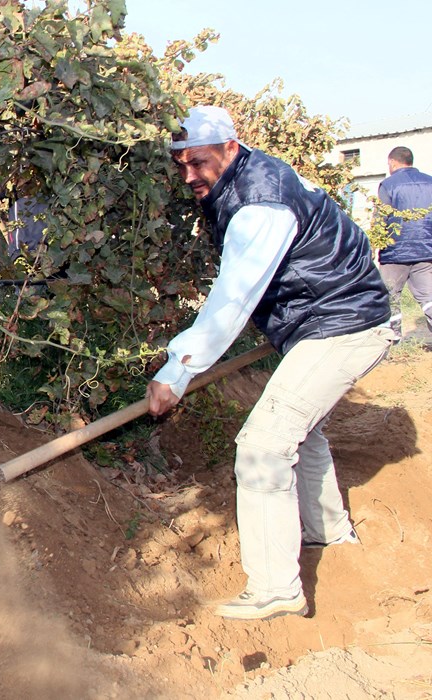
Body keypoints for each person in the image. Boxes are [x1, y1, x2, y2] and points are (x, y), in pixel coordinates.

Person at [145, 106, 393, 621]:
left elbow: (232, 299)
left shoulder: (261, 203)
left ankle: (277, 588)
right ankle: (328, 534)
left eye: (199, 162)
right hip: (325, 321)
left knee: (263, 446)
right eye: (181, 165)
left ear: (230, 149)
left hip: (343, 327)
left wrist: (176, 371)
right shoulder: (246, 179)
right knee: (305, 432)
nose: (189, 176)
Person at [376, 146, 432, 339]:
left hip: (395, 252)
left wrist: (376, 246)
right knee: (428, 296)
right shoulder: (430, 182)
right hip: (426, 250)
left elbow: (381, 219)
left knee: (390, 296)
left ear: (392, 162)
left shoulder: (388, 185)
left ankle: (393, 338)